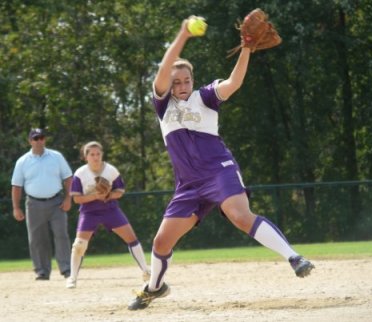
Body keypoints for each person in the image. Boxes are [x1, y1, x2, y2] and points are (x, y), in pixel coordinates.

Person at [128, 17, 315, 310]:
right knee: (161, 243)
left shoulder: (205, 97)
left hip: (218, 170)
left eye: (186, 80)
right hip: (188, 184)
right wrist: (182, 34)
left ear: (193, 80)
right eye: (176, 81)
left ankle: (294, 257)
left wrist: (247, 49)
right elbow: (164, 70)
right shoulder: (163, 107)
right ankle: (154, 287)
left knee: (240, 216)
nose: (180, 85)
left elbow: (234, 82)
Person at [66, 141, 150, 289]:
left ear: (102, 155)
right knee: (79, 245)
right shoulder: (80, 174)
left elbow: (120, 191)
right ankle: (72, 278)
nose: (96, 157)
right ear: (86, 157)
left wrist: (109, 195)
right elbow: (77, 198)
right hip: (89, 211)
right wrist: (95, 196)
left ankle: (146, 271)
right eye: (92, 154)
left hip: (110, 209)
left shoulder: (111, 170)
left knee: (132, 239)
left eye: (98, 154)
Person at [11, 128, 72, 280]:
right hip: (33, 204)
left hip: (56, 202)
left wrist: (68, 199)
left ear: (45, 139)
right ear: (30, 141)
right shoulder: (22, 161)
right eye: (35, 138)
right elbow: (16, 186)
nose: (39, 141)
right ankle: (42, 271)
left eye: (41, 138)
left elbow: (68, 179)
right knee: (37, 239)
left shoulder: (56, 157)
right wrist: (16, 207)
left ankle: (66, 269)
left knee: (61, 235)